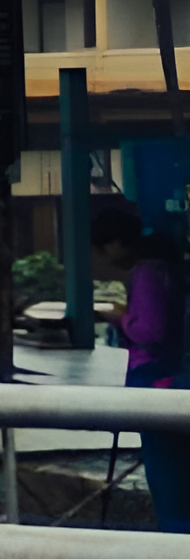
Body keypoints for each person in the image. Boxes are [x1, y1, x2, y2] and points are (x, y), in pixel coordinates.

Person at [91, 201, 190, 530]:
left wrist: (118, 318)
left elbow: (149, 330)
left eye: (105, 248)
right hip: (170, 375)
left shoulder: (146, 271)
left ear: (116, 242)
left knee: (165, 472)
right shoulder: (167, 267)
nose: (107, 257)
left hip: (154, 378)